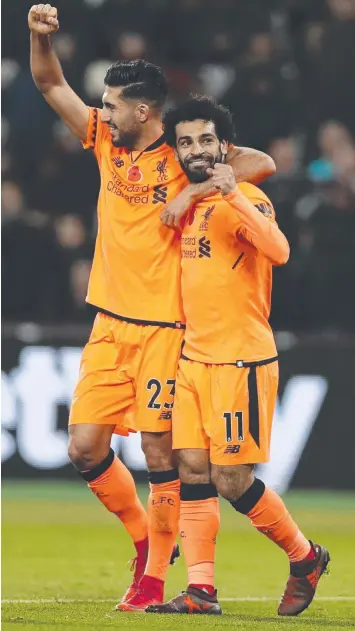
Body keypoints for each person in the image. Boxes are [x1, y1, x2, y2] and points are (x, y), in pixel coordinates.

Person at [28, 4, 276, 611]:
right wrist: (38, 39)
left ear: (142, 110)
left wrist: (195, 186)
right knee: (84, 448)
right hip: (109, 324)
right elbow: (49, 82)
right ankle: (144, 540)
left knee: (161, 455)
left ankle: (154, 580)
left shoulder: (185, 150)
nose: (102, 112)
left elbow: (259, 163)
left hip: (168, 329)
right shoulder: (103, 143)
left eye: (111, 104)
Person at [147, 96, 330, 616]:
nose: (197, 149)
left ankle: (305, 556)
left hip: (241, 359)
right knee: (192, 469)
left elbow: (280, 250)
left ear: (224, 146)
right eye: (186, 142)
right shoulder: (185, 202)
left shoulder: (245, 196)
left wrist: (234, 194)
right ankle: (201, 591)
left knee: (232, 480)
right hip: (194, 359)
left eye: (206, 140)